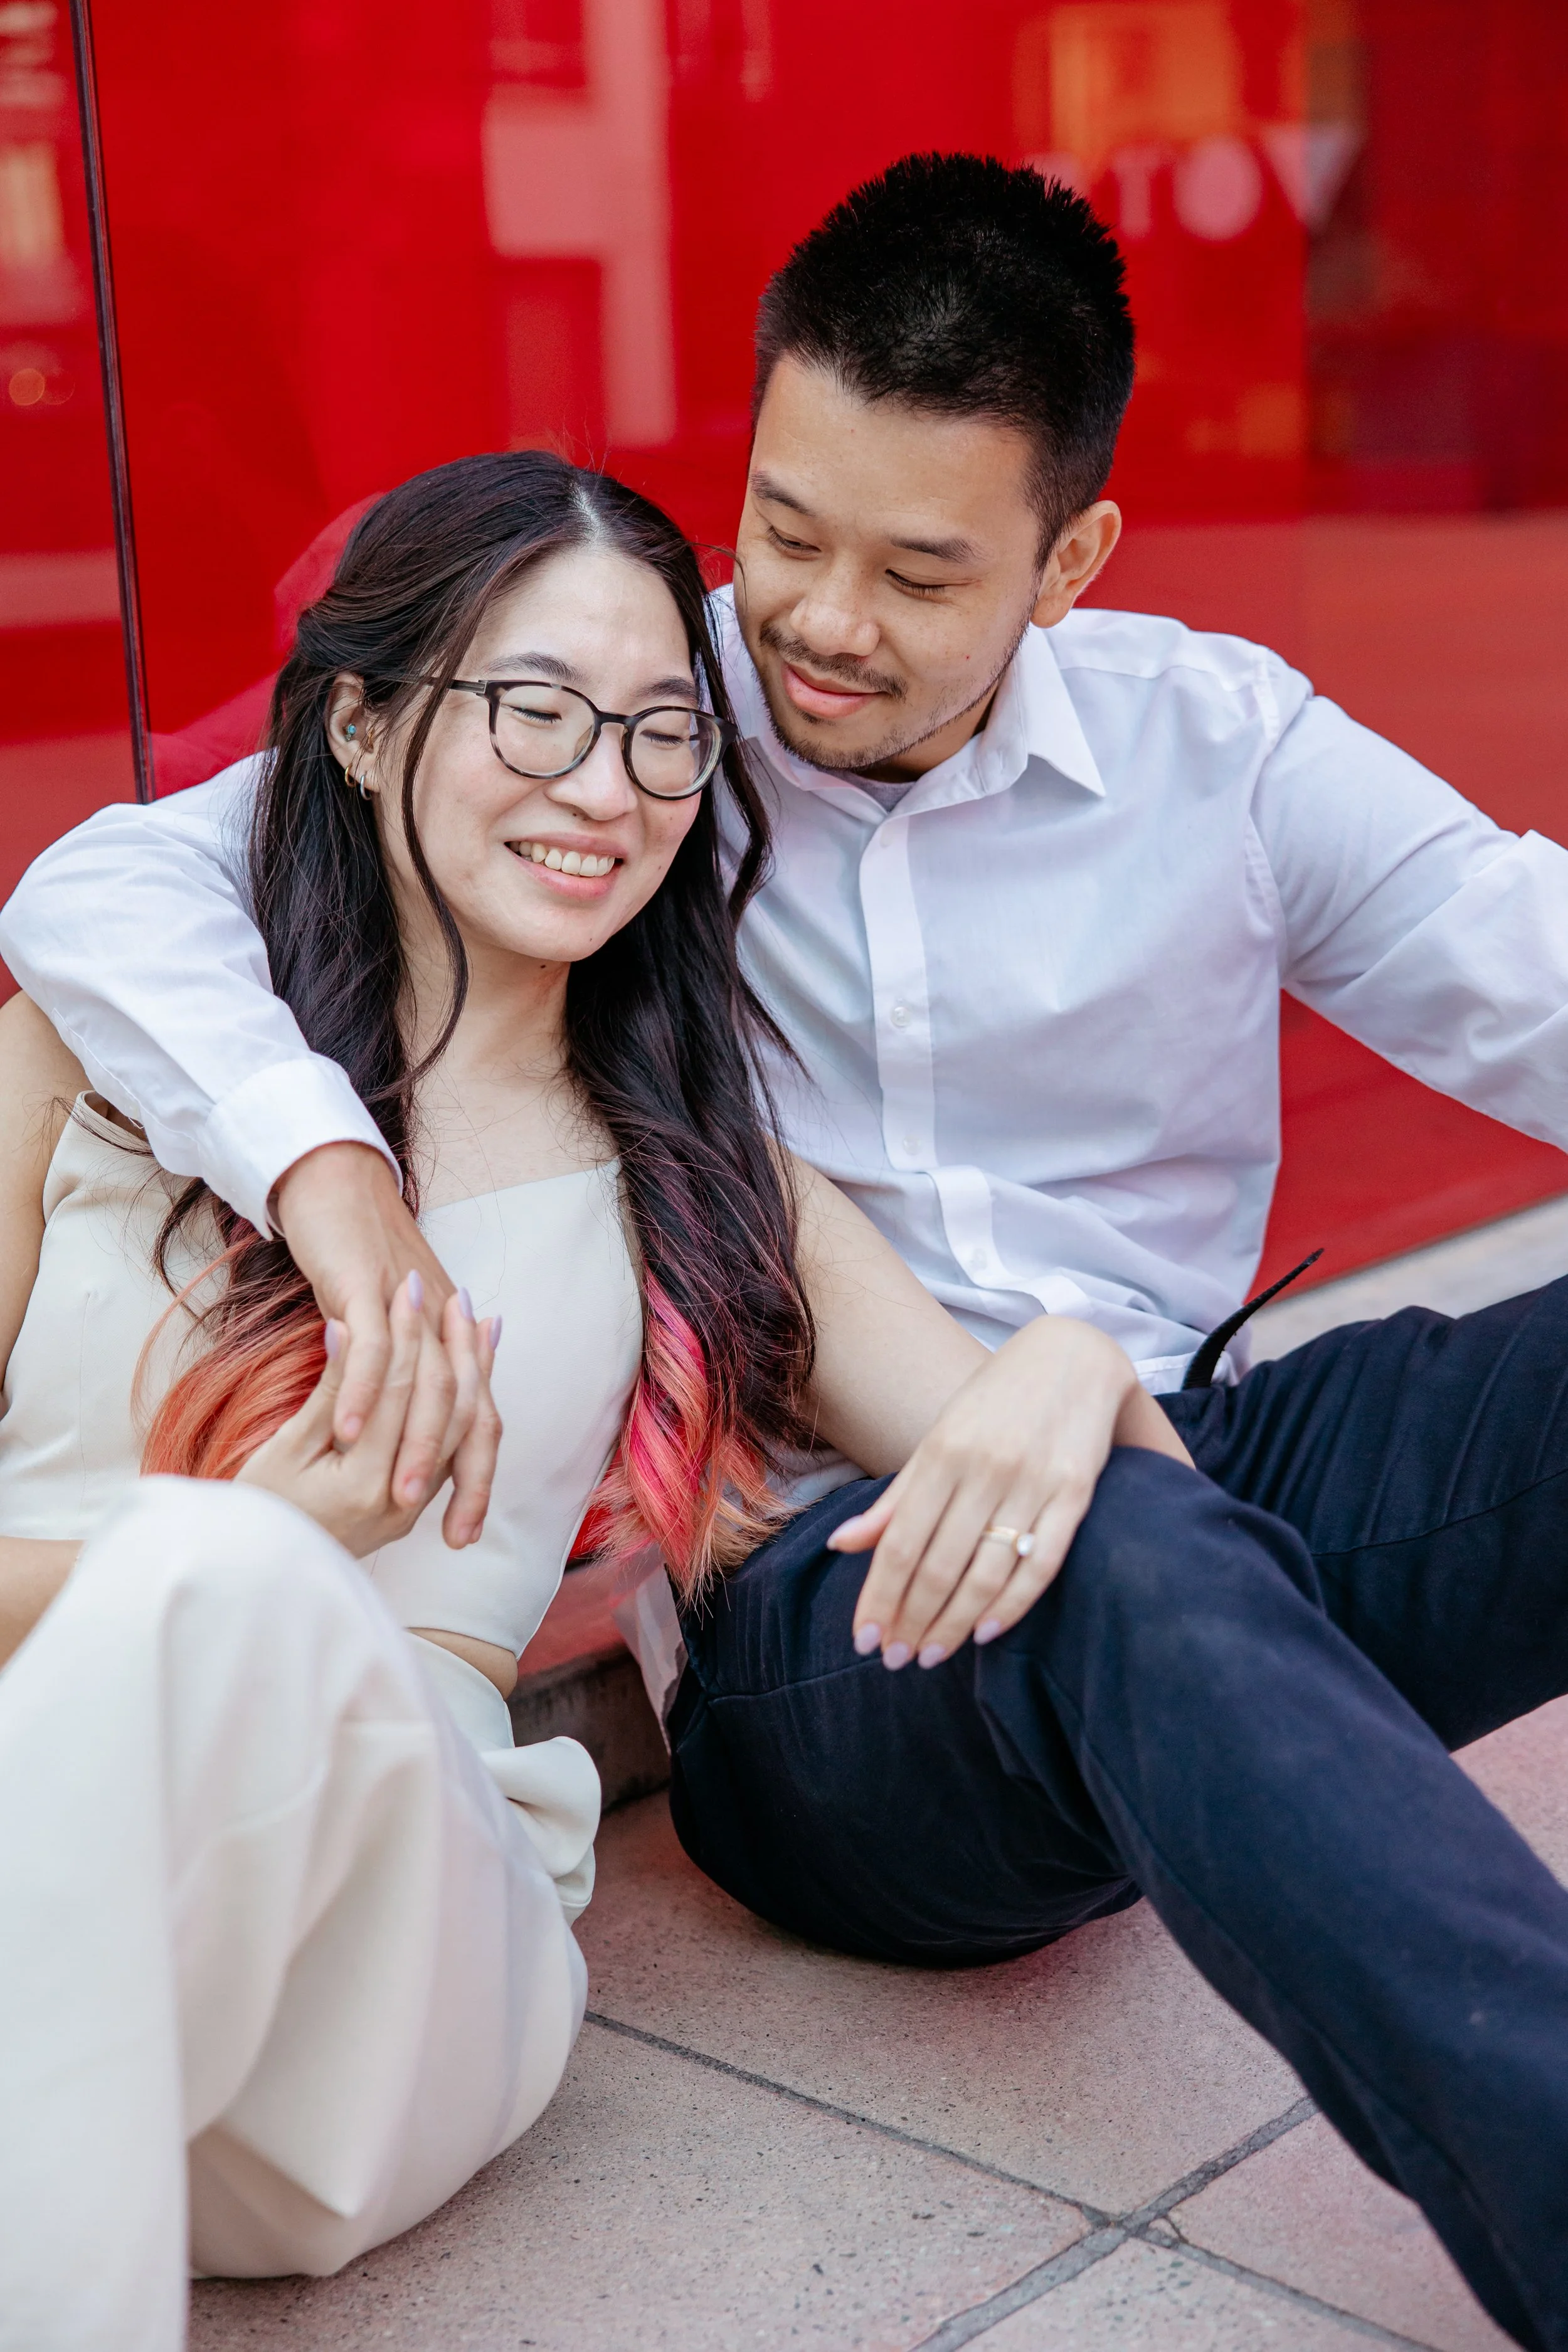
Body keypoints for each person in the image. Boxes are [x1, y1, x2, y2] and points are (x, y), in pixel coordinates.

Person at [7, 154, 1568, 2348]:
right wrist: (326, 1175)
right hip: (835, 1612)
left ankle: (1234, 1736)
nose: (817, 622)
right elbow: (114, 885)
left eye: (923, 570)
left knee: (1150, 1525)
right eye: (786, 530)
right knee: (1119, 1541)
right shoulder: (631, 711)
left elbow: (1533, 963)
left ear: (1072, 558)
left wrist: (1084, 1383)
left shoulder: (1210, 747)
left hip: (1162, 1467)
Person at [0, 447, 1189, 2352]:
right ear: (368, 729)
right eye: (537, 711)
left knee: (213, 1589)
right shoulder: (104, 1041)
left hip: (384, 1977)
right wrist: (268, 1540)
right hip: (52, 1877)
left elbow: (1074, 1473)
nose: (605, 788)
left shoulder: (697, 1172)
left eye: (660, 735)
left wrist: (1084, 1346)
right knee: (202, 1587)